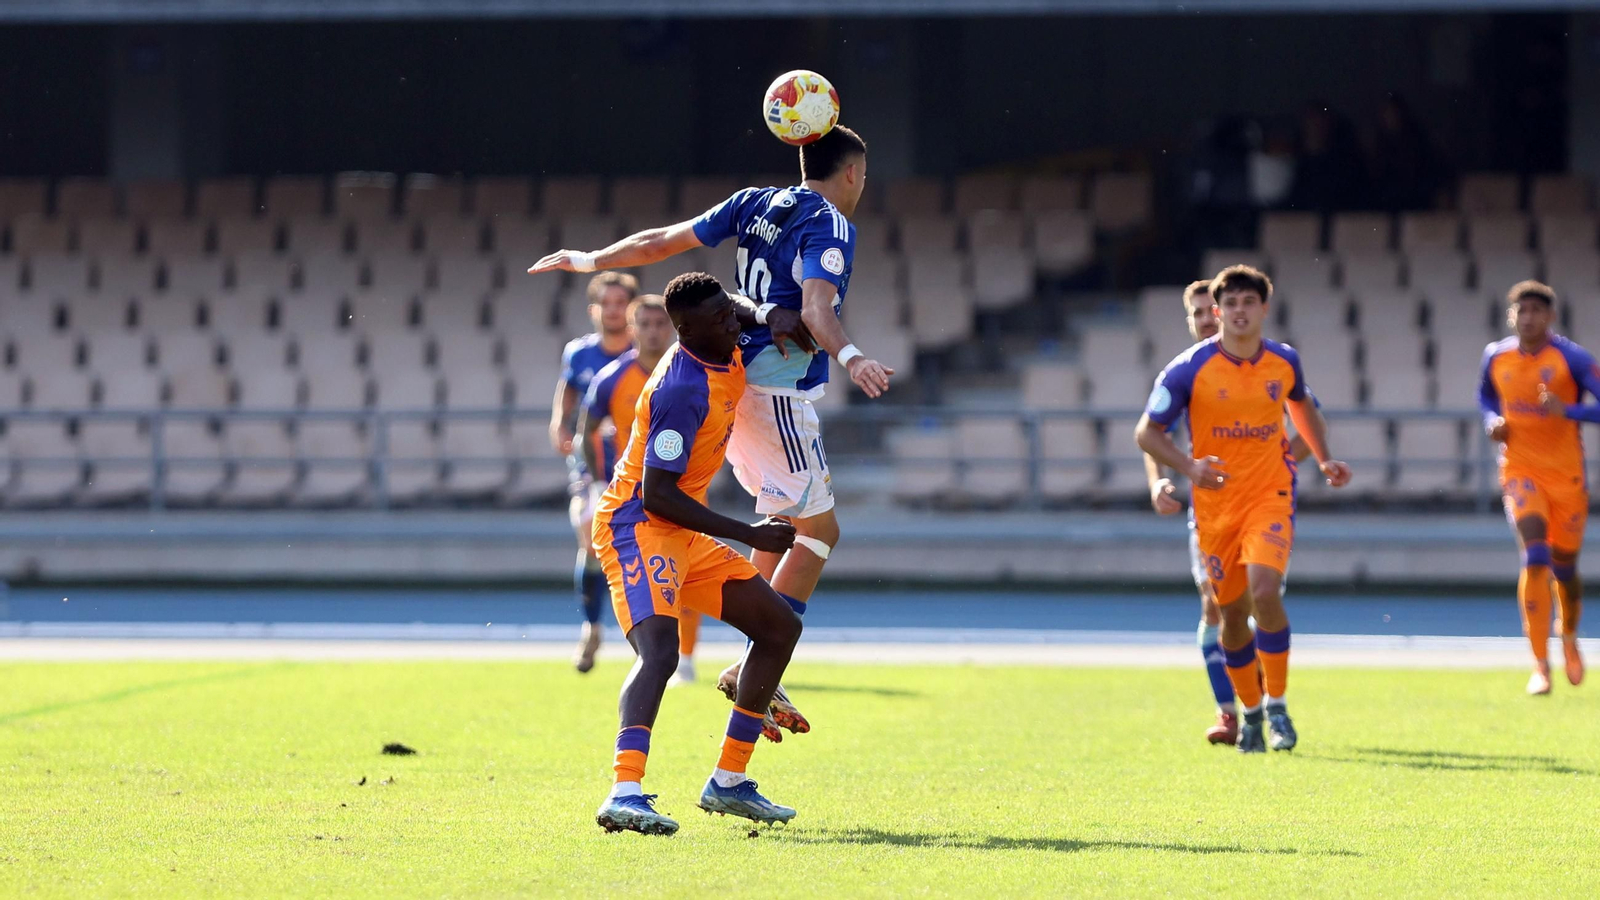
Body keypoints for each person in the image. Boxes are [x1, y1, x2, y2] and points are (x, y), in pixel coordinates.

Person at [530, 126, 890, 741]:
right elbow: (815, 310)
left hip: (736, 379)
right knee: (820, 531)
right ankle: (757, 661)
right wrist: (854, 356)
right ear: (854, 172)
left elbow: (661, 242)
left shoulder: (753, 200)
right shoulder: (830, 222)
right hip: (776, 392)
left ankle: (759, 647)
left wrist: (586, 259)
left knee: (784, 527)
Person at [590, 273, 803, 835]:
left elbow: (732, 303)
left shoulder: (721, 336)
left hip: (679, 532)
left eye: (731, 316)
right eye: (723, 320)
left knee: (779, 627)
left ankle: (728, 782)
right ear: (687, 330)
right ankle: (624, 792)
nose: (733, 324)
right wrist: (748, 535)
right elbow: (655, 494)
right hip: (637, 526)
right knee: (659, 653)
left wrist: (763, 315)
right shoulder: (682, 391)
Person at [1136, 265, 1352, 753]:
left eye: (1247, 302)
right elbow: (1147, 432)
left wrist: (1322, 459)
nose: (1238, 311)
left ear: (1263, 309)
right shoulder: (1188, 368)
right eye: (1229, 304)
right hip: (1215, 509)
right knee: (1230, 614)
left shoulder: (1283, 361)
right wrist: (1187, 470)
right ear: (1217, 312)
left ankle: (1276, 706)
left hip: (1269, 498)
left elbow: (1305, 411)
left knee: (1265, 590)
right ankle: (1246, 711)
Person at [574, 296, 699, 684]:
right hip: (631, 494)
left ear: (673, 327)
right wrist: (597, 482)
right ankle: (616, 638)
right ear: (633, 329)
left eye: (661, 323)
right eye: (644, 324)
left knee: (689, 572)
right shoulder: (613, 377)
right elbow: (586, 432)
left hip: (684, 488)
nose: (653, 331)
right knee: (630, 571)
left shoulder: (691, 372)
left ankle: (687, 658)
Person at [1478, 280, 1594, 695]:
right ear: (1512, 316)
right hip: (1520, 471)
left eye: (1536, 311)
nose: (1528, 318)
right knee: (1535, 557)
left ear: (1550, 317)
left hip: (1567, 479)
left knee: (1564, 568)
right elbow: (1486, 398)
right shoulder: (1496, 355)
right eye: (1521, 311)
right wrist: (1493, 422)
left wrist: (1571, 410)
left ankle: (1569, 635)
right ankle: (1539, 664)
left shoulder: (1572, 358)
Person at [554, 272, 637, 674]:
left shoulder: (644, 356)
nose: (614, 309)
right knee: (589, 536)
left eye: (621, 302)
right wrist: (559, 422)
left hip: (638, 467)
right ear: (594, 309)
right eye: (607, 302)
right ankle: (591, 627)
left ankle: (647, 633)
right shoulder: (579, 353)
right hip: (591, 466)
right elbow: (569, 389)